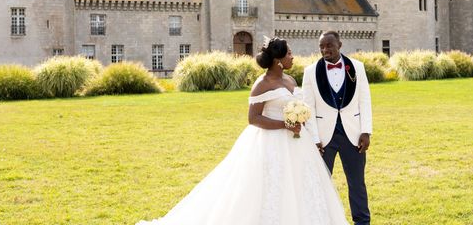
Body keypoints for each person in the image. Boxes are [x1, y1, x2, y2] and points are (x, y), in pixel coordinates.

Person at [137, 37, 349, 225]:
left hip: (297, 143)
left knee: (302, 185)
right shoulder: (262, 84)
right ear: (278, 60)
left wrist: (301, 122)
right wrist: (284, 125)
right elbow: (253, 118)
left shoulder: (290, 80)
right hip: (270, 141)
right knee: (268, 186)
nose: (293, 58)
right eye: (290, 54)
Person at [302, 31, 373, 225]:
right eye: (322, 46)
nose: (325, 50)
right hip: (324, 139)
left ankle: (362, 222)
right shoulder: (310, 72)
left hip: (354, 134)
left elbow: (365, 100)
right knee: (321, 183)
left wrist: (366, 131)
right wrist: (315, 139)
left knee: (357, 183)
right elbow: (308, 108)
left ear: (339, 45)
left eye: (329, 45)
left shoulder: (357, 67)